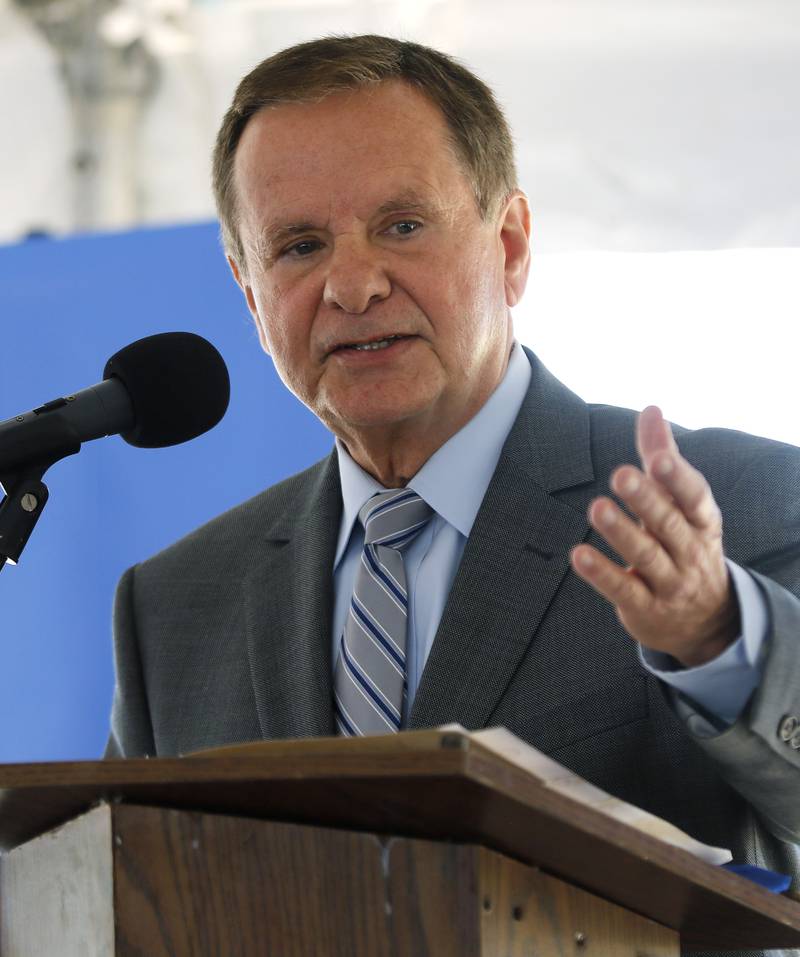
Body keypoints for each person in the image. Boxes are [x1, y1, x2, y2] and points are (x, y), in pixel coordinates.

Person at [106, 35, 800, 955]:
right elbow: (121, 897)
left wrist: (718, 639)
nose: (353, 284)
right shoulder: (174, 606)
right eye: (300, 245)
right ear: (249, 292)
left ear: (509, 246)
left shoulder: (733, 507)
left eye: (401, 226)